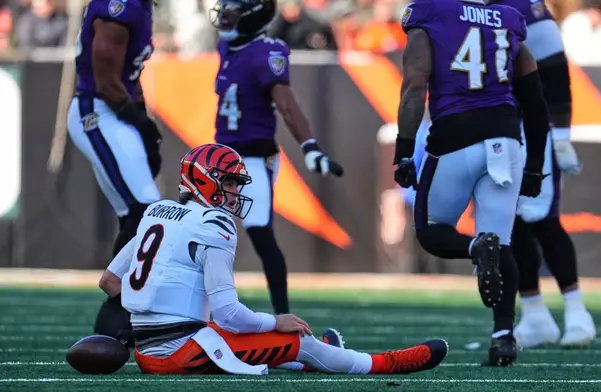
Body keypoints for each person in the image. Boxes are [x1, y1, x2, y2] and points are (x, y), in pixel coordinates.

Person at [98, 143, 449, 375]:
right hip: (181, 353)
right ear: (205, 181)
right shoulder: (213, 223)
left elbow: (110, 281)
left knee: (256, 342)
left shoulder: (157, 212)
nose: (235, 192)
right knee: (298, 341)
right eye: (230, 183)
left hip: (147, 353)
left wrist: (148, 313)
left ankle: (321, 354)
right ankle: (384, 363)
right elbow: (229, 314)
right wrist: (275, 320)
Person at [393, 0, 551, 366]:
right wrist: (535, 166)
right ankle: (503, 337)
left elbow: (415, 86)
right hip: (505, 138)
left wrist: (404, 151)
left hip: (456, 135)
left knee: (432, 232)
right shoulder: (509, 18)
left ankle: (476, 247)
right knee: (503, 241)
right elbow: (536, 102)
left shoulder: (430, 11)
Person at [209, 0, 343, 316]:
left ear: (252, 19)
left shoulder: (267, 52)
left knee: (259, 232)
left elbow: (287, 105)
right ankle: (196, 313)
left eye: (232, 15)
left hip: (253, 159)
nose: (224, 21)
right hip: (220, 156)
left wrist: (310, 146)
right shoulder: (228, 49)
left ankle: (284, 315)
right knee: (202, 234)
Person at [496, 0, 595, 349]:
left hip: (527, 126)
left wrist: (563, 136)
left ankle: (576, 309)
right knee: (508, 223)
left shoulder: (523, 5)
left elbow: (553, 66)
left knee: (541, 218)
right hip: (488, 127)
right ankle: (535, 313)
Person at [67, 0, 162, 346]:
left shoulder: (140, 7)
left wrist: (142, 119)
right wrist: (140, 123)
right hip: (97, 110)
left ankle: (120, 316)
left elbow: (127, 78)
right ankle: (117, 309)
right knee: (147, 209)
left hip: (113, 111)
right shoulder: (119, 6)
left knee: (135, 213)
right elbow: (106, 79)